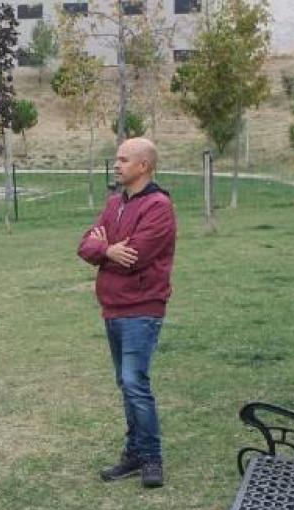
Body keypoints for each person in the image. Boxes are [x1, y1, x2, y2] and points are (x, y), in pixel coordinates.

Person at [77, 137, 177, 488]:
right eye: (116, 159)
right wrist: (107, 248)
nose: (116, 165)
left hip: (141, 309)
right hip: (113, 309)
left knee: (135, 382)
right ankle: (135, 452)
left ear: (143, 166)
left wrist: (107, 251)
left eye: (123, 160)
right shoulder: (114, 203)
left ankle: (151, 458)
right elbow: (85, 245)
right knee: (126, 383)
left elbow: (135, 256)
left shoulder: (159, 206)